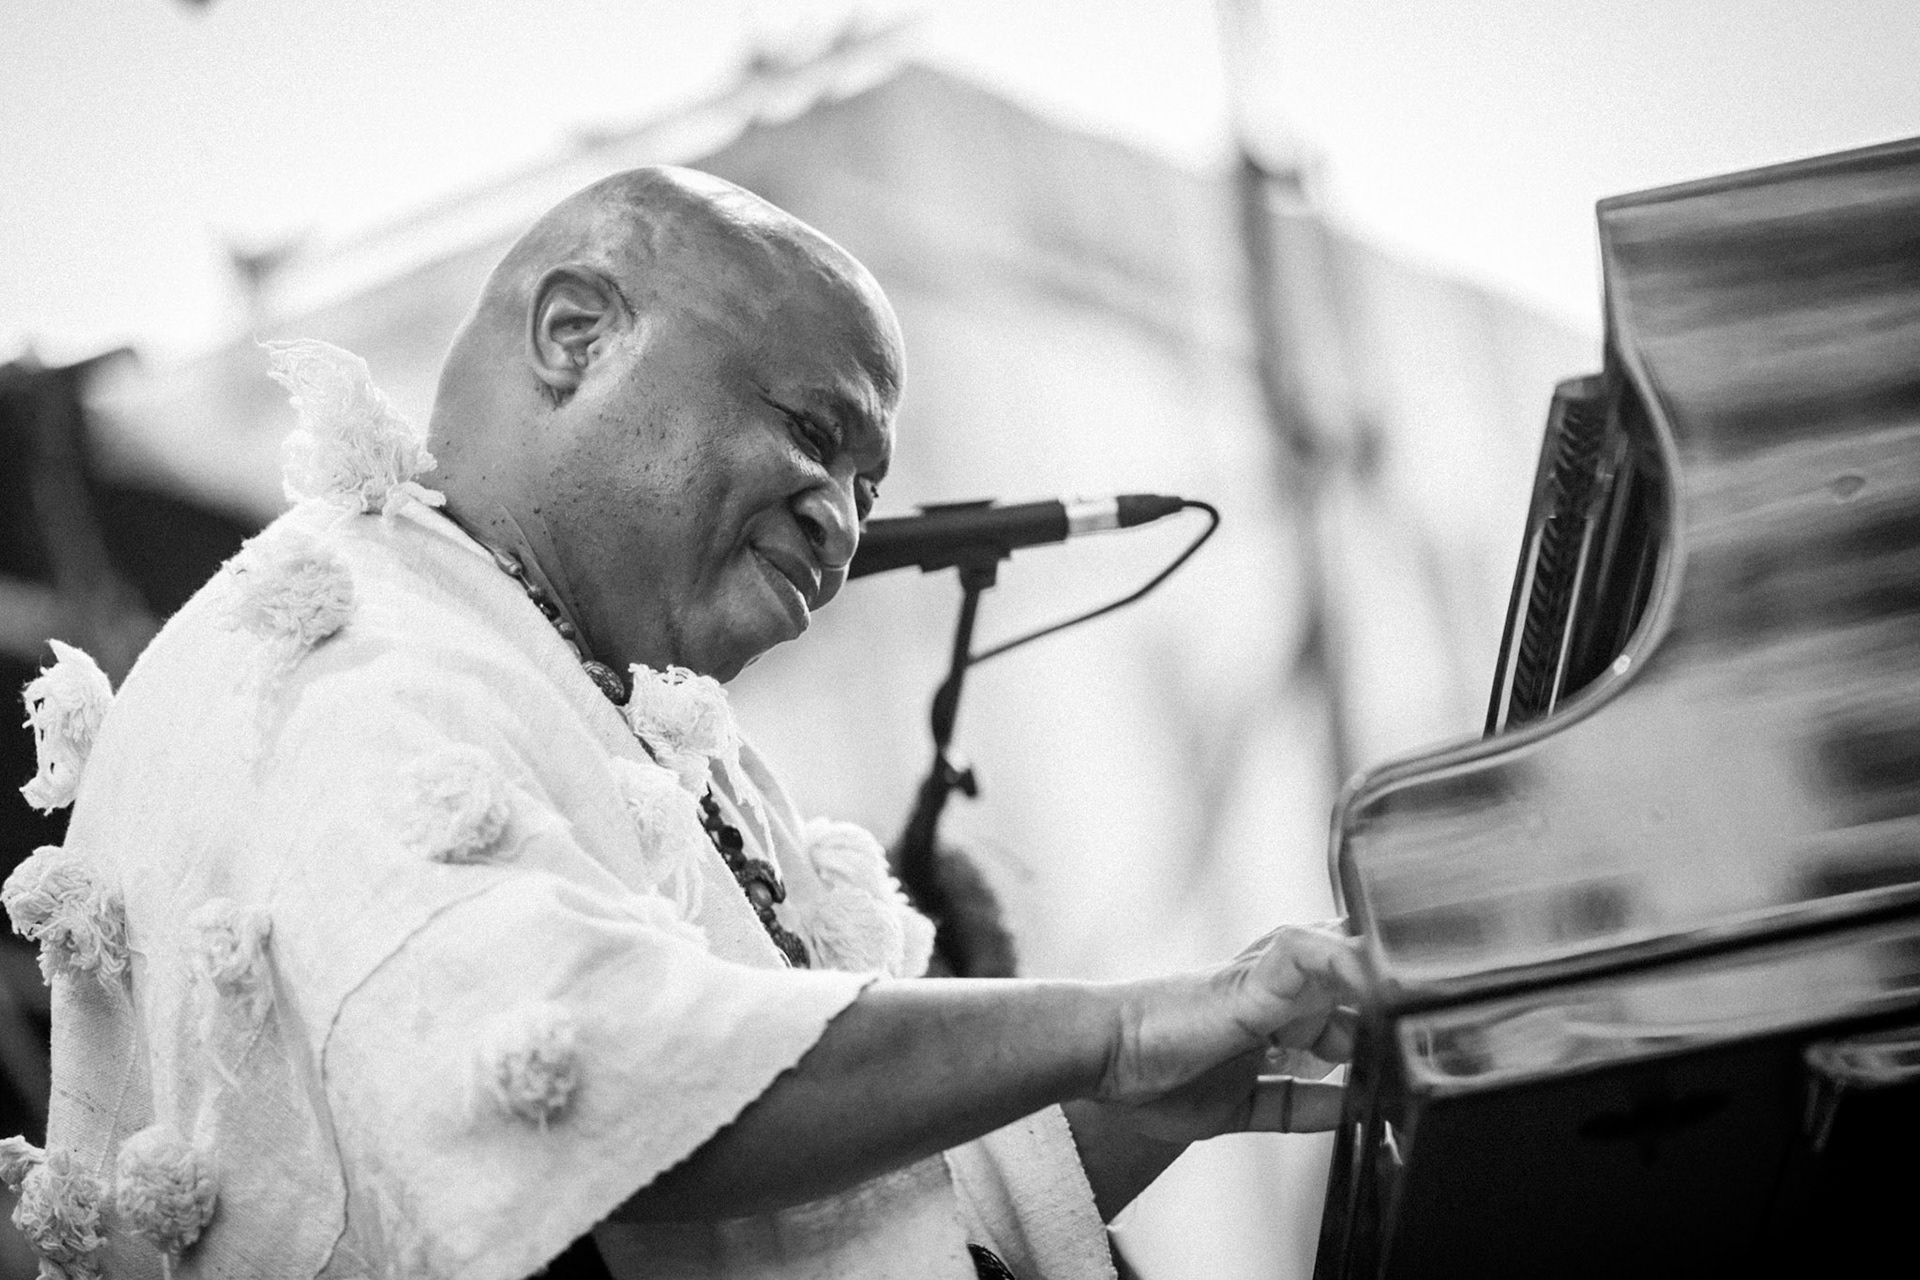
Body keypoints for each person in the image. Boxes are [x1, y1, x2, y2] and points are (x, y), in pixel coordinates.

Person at [1, 167, 1362, 1280]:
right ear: (575, 337)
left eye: (867, 479)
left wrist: (1165, 1088)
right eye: (811, 431)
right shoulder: (348, 650)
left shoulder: (587, 683)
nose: (842, 516)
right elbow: (586, 1076)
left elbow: (854, 1201)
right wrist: (1113, 1031)